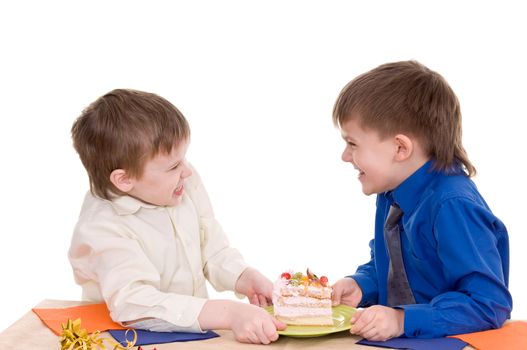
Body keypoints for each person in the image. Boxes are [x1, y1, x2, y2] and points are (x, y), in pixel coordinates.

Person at [69, 89, 285, 344]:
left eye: (184, 158)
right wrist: (229, 313)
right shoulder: (101, 227)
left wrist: (244, 277)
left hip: (193, 337)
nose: (186, 171)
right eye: (173, 166)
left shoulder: (181, 183)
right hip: (125, 341)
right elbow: (134, 304)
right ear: (124, 179)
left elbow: (211, 248)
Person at [330, 61, 512, 341]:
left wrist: (403, 320)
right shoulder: (391, 193)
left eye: (352, 144)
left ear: (400, 148)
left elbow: (489, 304)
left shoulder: (451, 204)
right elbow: (394, 268)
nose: (345, 156)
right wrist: (362, 285)